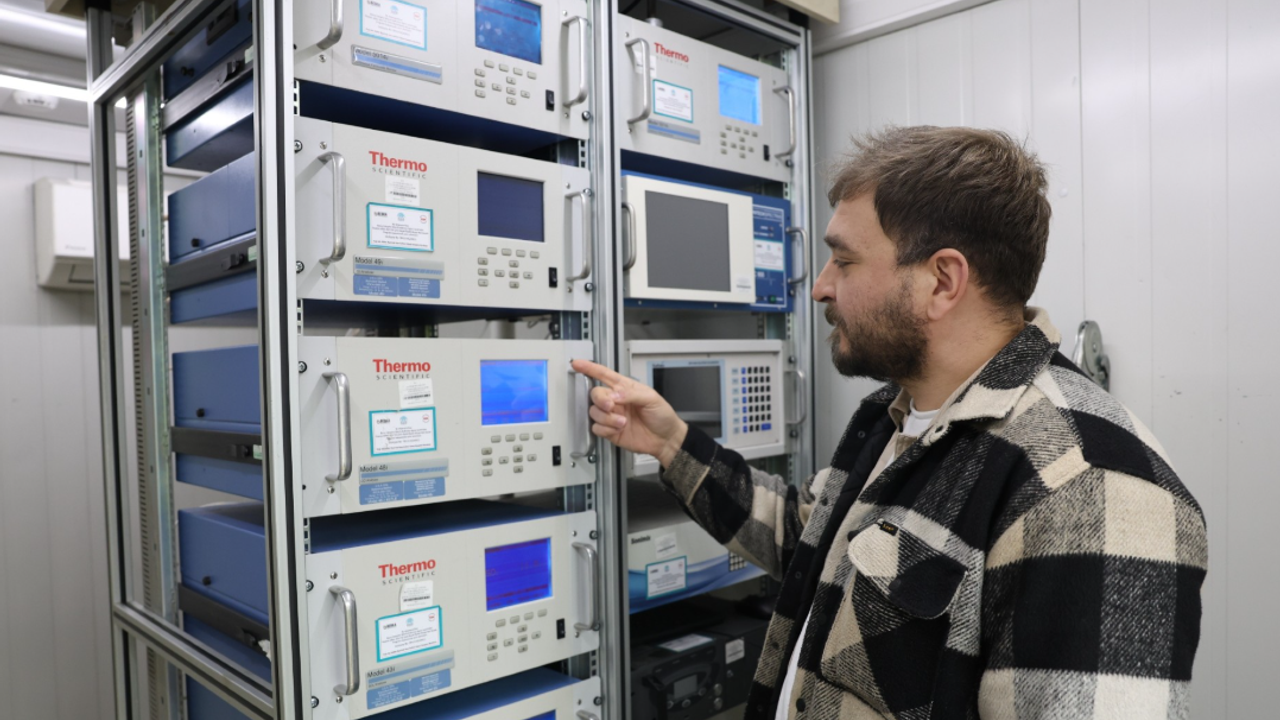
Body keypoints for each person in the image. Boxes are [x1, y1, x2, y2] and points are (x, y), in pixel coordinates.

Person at [572, 126, 1207, 719]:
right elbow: (804, 540)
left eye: (844, 261)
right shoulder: (899, 413)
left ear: (942, 281)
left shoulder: (1092, 488)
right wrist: (670, 443)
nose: (820, 288)